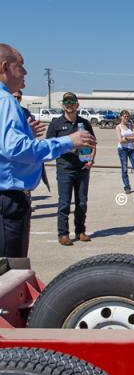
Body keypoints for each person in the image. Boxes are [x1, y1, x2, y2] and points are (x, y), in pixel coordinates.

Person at [0, 43, 94, 257]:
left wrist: (27, 136)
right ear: (4, 67)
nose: (25, 72)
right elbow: (16, 149)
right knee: (10, 268)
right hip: (8, 199)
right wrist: (68, 142)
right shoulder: (5, 101)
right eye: (21, 66)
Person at [47, 92, 97, 245]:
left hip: (82, 168)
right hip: (65, 169)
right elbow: (49, 146)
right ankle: (63, 234)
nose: (69, 105)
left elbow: (93, 143)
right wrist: (70, 147)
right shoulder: (56, 124)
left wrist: (91, 162)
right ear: (63, 105)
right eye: (66, 102)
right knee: (64, 203)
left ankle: (80, 231)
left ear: (77, 104)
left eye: (72, 102)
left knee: (82, 202)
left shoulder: (84, 123)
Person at [115, 110, 134, 194]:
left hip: (132, 149)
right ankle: (127, 187)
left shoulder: (131, 126)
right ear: (121, 117)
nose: (126, 118)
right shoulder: (118, 127)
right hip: (122, 150)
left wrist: (127, 139)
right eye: (124, 116)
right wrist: (132, 139)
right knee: (124, 169)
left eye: (127, 116)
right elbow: (120, 140)